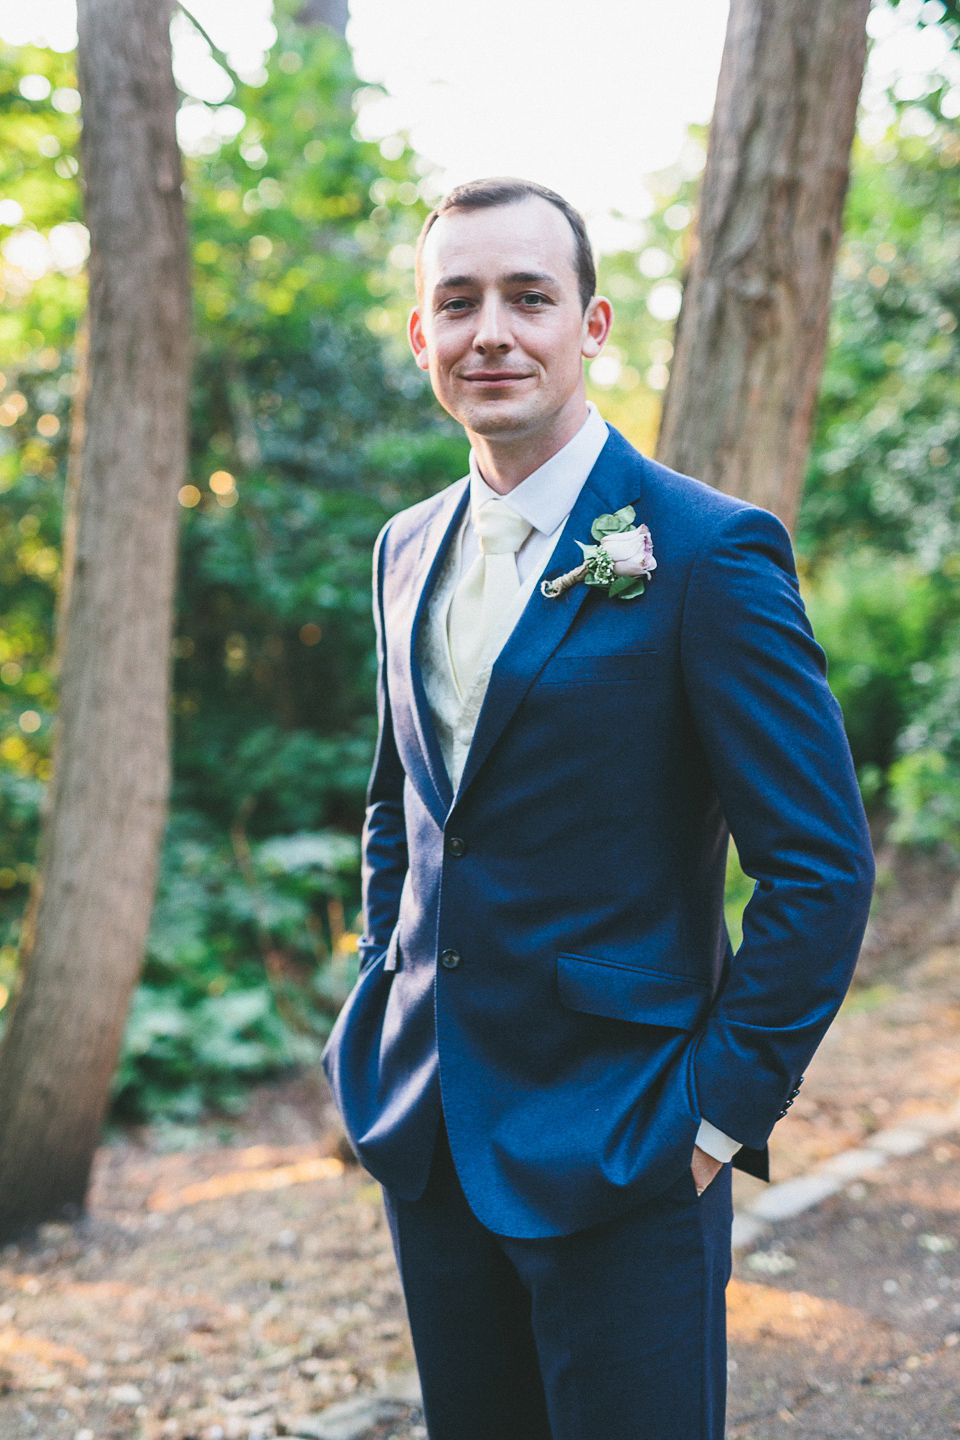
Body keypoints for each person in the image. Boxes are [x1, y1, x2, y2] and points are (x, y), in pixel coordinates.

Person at [323, 177, 874, 1440]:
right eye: (456, 302)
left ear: (593, 325)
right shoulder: (403, 547)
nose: (492, 332)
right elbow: (401, 803)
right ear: (421, 337)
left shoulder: (705, 554)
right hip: (431, 1139)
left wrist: (718, 1117)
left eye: (529, 296)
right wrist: (380, 989)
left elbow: (821, 869)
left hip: (630, 1147)